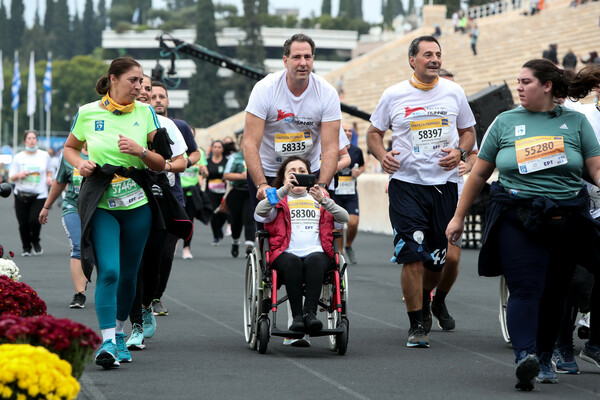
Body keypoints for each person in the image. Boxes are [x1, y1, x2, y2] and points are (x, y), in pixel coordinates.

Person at [445, 60, 600, 390]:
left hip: (564, 217)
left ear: (546, 86)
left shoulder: (575, 123)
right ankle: (525, 356)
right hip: (518, 216)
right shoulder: (504, 122)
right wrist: (458, 216)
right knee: (526, 287)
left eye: (525, 81)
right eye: (517, 81)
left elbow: (595, 169)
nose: (518, 87)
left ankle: (545, 355)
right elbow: (478, 174)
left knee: (557, 292)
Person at [366, 35, 476, 348]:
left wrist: (460, 151)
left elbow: (468, 132)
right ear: (412, 60)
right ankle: (416, 324)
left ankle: (427, 302)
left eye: (438, 54)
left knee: (438, 261)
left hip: (444, 188)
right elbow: (374, 132)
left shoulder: (454, 92)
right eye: (427, 54)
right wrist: (380, 154)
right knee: (412, 256)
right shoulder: (394, 94)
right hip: (406, 185)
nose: (435, 59)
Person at [63, 57, 165, 369]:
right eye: (133, 80)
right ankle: (106, 340)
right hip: (102, 203)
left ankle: (120, 333)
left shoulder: (146, 113)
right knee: (109, 270)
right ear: (113, 79)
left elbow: (162, 162)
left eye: (142, 81)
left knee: (129, 275)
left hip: (137, 205)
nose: (139, 87)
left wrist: (141, 152)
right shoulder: (87, 112)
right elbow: (69, 148)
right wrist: (80, 163)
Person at [125, 75, 188, 351]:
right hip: (124, 195)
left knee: (154, 261)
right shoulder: (115, 118)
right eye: (140, 87)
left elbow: (182, 161)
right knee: (131, 264)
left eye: (149, 90)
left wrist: (163, 167)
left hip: (160, 195)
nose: (143, 92)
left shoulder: (166, 124)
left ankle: (148, 304)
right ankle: (134, 325)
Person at [242, 33, 341, 209]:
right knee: (269, 231)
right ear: (285, 60)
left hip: (308, 174)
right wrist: (262, 184)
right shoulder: (265, 89)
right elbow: (249, 143)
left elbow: (331, 148)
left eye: (307, 57)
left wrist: (323, 185)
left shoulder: (327, 92)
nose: (303, 63)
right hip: (269, 171)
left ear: (313, 59)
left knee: (313, 232)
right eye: (296, 57)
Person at [255, 156, 349, 333]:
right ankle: (297, 317)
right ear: (284, 178)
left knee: (314, 260)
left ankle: (310, 314)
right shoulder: (277, 200)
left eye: (302, 171)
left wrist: (324, 200)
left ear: (310, 176)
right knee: (293, 262)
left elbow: (344, 218)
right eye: (292, 172)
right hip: (285, 254)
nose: (297, 175)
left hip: (317, 252)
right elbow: (259, 212)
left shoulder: (321, 200)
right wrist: (283, 191)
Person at [148, 80, 201, 318]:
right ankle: (142, 297)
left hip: (173, 197)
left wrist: (181, 165)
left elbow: (195, 152)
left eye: (162, 96)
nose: (158, 100)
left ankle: (156, 297)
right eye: (153, 96)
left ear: (168, 101)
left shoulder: (178, 125)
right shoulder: (139, 124)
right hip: (146, 195)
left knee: (167, 253)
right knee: (147, 251)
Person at [38, 146, 89, 308]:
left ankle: (105, 290)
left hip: (97, 209)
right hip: (72, 207)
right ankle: (79, 294)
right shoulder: (69, 156)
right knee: (77, 246)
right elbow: (59, 182)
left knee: (96, 251)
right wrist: (46, 207)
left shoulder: (104, 151)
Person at [9, 130, 53, 257]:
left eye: (34, 138)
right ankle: (26, 247)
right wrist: (20, 175)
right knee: (23, 224)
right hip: (21, 194)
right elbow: (11, 177)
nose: (32, 140)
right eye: (29, 138)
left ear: (37, 141)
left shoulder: (44, 155)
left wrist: (49, 178)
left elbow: (50, 170)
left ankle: (35, 240)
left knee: (34, 221)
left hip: (39, 194)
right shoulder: (18, 157)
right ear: (24, 141)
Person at [334, 122, 365, 264]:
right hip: (336, 192)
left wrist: (359, 172)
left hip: (351, 192)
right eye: (344, 130)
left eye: (349, 131)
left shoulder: (357, 151)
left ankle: (348, 245)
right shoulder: (333, 149)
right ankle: (340, 252)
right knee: (338, 223)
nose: (347, 133)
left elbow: (362, 165)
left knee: (353, 222)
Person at [223, 134, 256, 257]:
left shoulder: (258, 156)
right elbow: (226, 175)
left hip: (250, 191)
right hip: (237, 190)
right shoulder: (235, 157)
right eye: (244, 143)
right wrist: (241, 176)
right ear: (240, 144)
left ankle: (249, 246)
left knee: (249, 217)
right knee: (236, 220)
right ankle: (235, 242)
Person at [206, 140, 228, 245]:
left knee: (224, 213)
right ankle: (216, 235)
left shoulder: (226, 161)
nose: (217, 149)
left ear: (222, 149)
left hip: (224, 191)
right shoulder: (207, 161)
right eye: (215, 147)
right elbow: (205, 175)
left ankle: (219, 227)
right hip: (211, 191)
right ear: (212, 148)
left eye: (219, 147)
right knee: (213, 213)